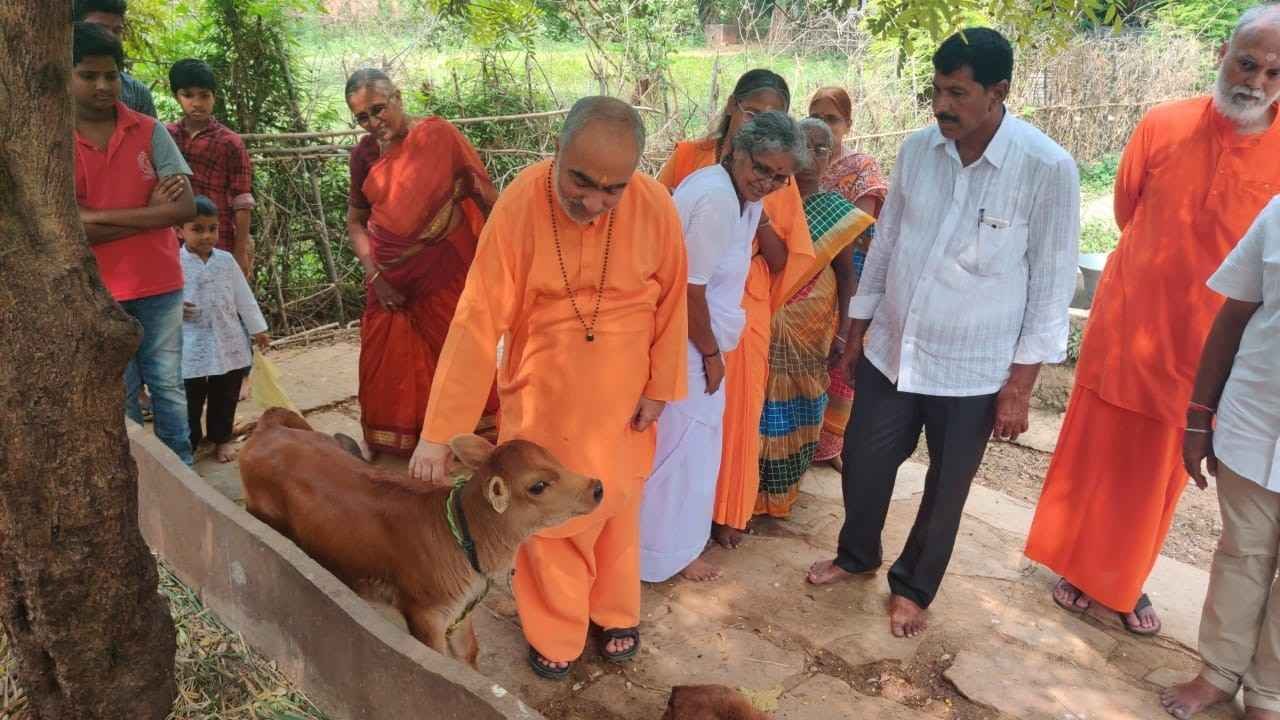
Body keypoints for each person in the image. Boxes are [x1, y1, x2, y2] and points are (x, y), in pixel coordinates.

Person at [807, 28, 1080, 639]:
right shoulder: (917, 151)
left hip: (975, 365)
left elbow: (1053, 283)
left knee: (945, 487)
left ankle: (913, 586)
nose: (942, 105)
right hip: (893, 345)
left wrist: (1021, 385)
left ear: (998, 92)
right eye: (936, 90)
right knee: (864, 461)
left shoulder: (1045, 168)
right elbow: (887, 246)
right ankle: (857, 554)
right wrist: (856, 334)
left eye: (957, 92)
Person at [408, 97, 689, 680]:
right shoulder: (518, 204)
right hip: (546, 395)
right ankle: (556, 633)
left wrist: (661, 385)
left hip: (625, 400)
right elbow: (477, 321)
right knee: (547, 517)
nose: (593, 202)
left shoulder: (656, 205)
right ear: (556, 153)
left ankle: (615, 612)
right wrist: (439, 435)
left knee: (618, 507)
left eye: (613, 189)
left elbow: (672, 302)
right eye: (580, 182)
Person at [1025, 3, 1280, 635]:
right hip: (1129, 325)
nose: (1258, 81)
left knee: (1162, 474)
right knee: (1098, 453)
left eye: (1277, 73)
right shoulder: (1163, 123)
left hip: (1208, 347)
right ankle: (1077, 566)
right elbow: (1125, 208)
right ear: (1225, 52)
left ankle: (1122, 580)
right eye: (1249, 62)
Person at [641, 111, 809, 583]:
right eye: (762, 169)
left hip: (699, 339)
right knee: (680, 452)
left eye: (780, 176)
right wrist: (713, 357)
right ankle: (661, 554)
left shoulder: (739, 195)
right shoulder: (716, 197)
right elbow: (688, 291)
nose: (768, 182)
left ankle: (672, 548)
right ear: (737, 150)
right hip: (688, 343)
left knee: (691, 449)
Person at [1159, 197, 1280, 720]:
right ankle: (1217, 673)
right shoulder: (1279, 212)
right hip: (1253, 422)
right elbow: (1234, 314)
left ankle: (1271, 693)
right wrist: (1197, 416)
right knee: (1241, 555)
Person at [344, 69, 500, 458]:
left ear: (397, 97)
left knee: (459, 352)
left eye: (378, 109)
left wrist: (497, 262)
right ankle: (401, 448)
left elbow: (486, 199)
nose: (373, 122)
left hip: (444, 269)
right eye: (362, 117)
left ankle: (468, 440)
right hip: (387, 281)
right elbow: (354, 222)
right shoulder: (363, 155)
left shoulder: (438, 137)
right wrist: (376, 277)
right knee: (386, 367)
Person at [72, 21, 197, 465]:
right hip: (97, 290)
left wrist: (95, 218)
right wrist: (148, 217)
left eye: (111, 75)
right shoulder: (52, 141)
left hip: (160, 282)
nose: (104, 86)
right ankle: (136, 476)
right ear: (66, 75)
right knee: (118, 394)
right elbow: (67, 227)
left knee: (167, 387)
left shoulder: (148, 129)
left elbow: (183, 209)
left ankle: (182, 471)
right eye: (89, 75)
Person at [755, 118, 874, 519]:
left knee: (802, 405)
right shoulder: (764, 201)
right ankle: (749, 494)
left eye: (821, 148)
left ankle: (783, 491)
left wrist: (844, 333)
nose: (811, 156)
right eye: (803, 144)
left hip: (812, 329)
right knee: (756, 407)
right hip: (762, 324)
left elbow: (845, 275)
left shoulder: (836, 213)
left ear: (831, 157)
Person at [806, 86, 889, 470]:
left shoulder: (861, 168)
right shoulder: (798, 161)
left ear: (848, 124)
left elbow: (858, 227)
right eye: (816, 115)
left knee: (841, 355)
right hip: (805, 270)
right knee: (804, 360)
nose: (824, 125)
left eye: (832, 118)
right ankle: (802, 439)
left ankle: (831, 444)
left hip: (850, 269)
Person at [180, 196, 269, 463]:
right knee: (190, 399)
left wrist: (258, 329)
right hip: (190, 342)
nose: (207, 236)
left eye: (212, 228)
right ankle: (190, 442)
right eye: (197, 229)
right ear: (178, 230)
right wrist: (175, 306)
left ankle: (221, 438)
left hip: (228, 339)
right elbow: (162, 297)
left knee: (225, 394)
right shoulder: (172, 262)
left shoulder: (226, 261)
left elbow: (244, 297)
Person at [167, 59, 256, 277]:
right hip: (174, 240)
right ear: (176, 96)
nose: (197, 103)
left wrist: (240, 251)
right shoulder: (166, 136)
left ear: (214, 96)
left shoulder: (229, 142)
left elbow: (242, 201)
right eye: (188, 95)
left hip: (218, 238)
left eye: (204, 95)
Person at [74, 0, 156, 117]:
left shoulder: (136, 93)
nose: (110, 38)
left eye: (117, 31)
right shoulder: (49, 88)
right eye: (100, 29)